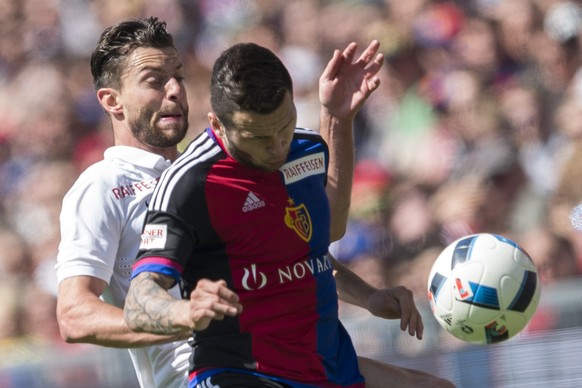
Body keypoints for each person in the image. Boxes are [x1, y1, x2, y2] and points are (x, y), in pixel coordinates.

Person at [124, 42, 454, 387]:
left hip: (327, 366)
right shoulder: (190, 183)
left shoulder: (307, 149)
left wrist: (368, 295)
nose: (277, 148)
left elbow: (322, 238)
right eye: (257, 137)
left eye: (285, 127)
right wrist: (185, 311)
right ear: (217, 126)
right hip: (243, 373)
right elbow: (138, 302)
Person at [55, 17, 192, 388]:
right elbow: (74, 315)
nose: (175, 89)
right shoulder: (102, 186)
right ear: (111, 100)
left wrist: (337, 121)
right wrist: (187, 317)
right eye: (154, 80)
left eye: (178, 75)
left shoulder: (211, 168)